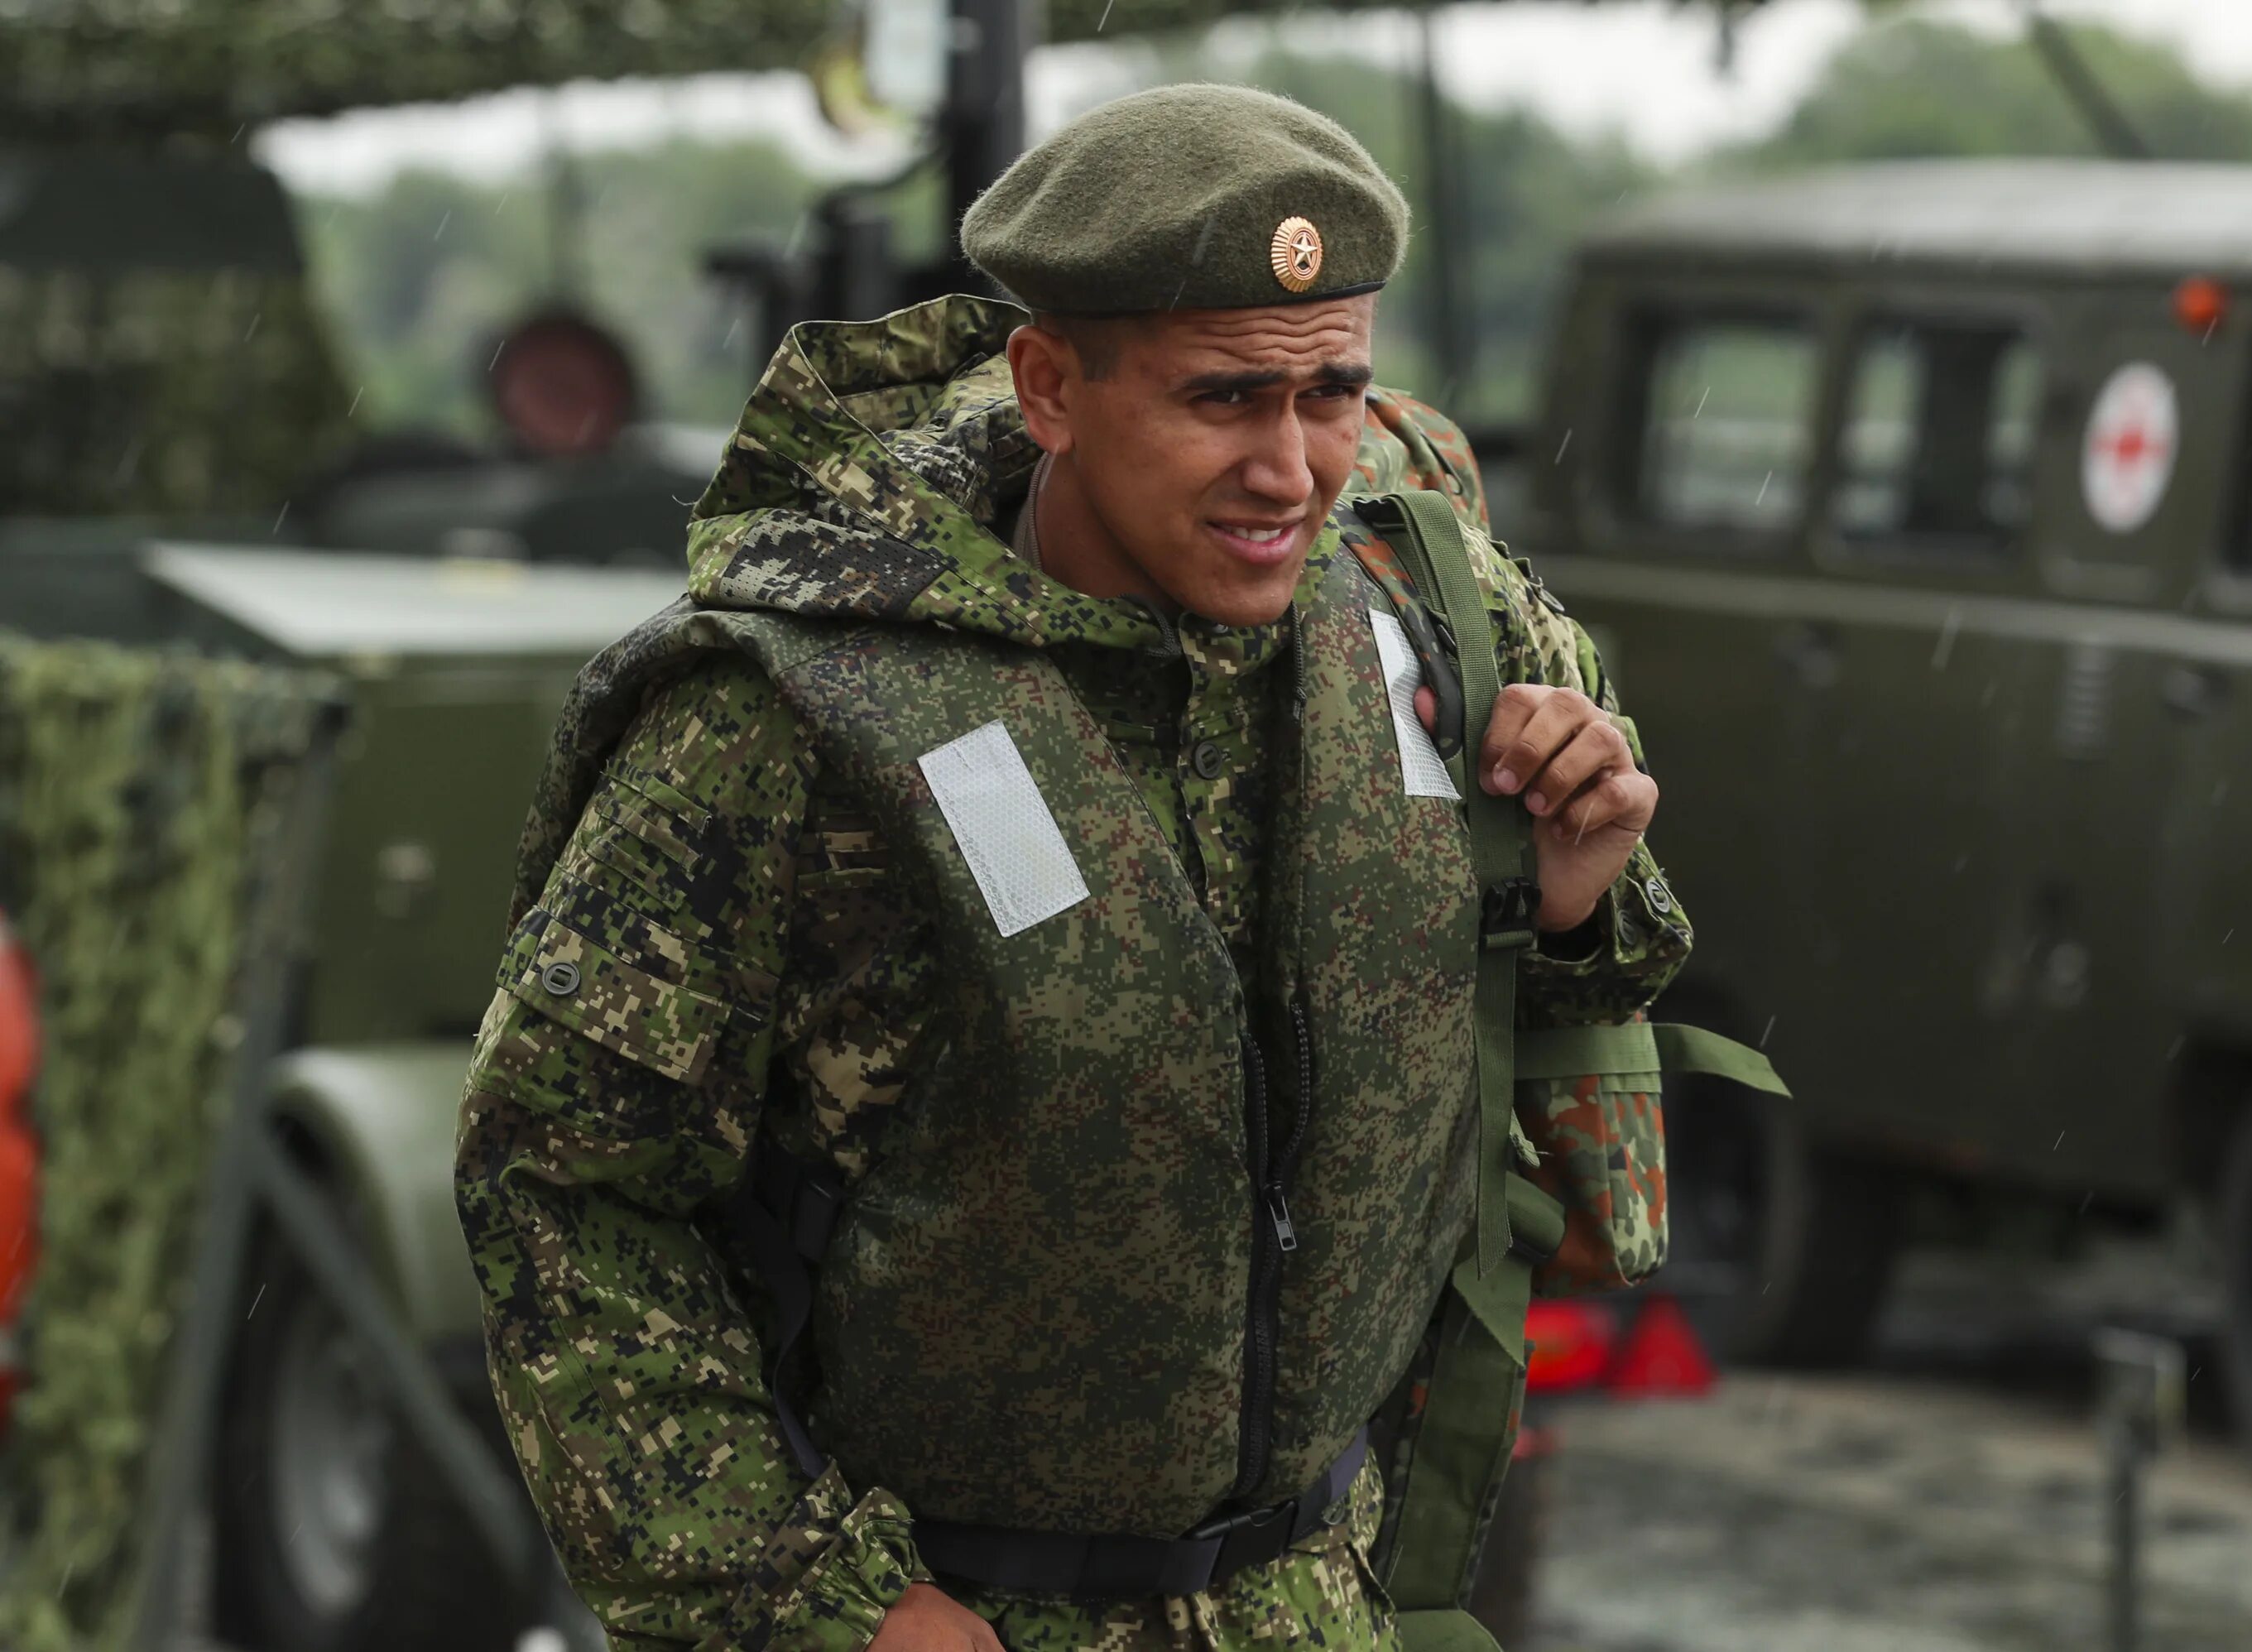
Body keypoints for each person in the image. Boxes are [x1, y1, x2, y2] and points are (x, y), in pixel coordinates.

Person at [455, 82, 1692, 1652]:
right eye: (1223, 399)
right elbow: (566, 1188)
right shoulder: (787, 714)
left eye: (1330, 396)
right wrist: (815, 1598)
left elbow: (1551, 1047)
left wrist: (1571, 896)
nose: (1293, 468)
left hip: (1322, 1604)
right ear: (1049, 387)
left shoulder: (1442, 616)